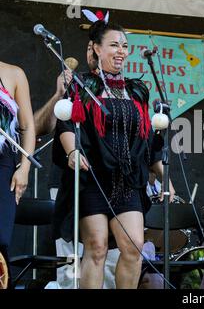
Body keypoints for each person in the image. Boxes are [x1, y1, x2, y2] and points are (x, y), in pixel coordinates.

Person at [52, 19, 172, 289]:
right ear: (95, 48)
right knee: (97, 246)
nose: (121, 50)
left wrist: (164, 176)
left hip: (127, 180)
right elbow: (66, 122)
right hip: (92, 177)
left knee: (134, 246)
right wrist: (72, 151)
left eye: (125, 46)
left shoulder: (136, 91)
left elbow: (147, 139)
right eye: (114, 45)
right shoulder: (82, 85)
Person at [0, 61, 35, 288]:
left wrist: (24, 168)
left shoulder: (14, 73)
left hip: (4, 162)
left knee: (1, 239)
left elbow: (27, 126)